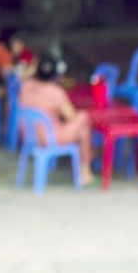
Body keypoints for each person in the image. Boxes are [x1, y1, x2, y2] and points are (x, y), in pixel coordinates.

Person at [18, 54, 96, 185]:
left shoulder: (26, 86)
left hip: (30, 136)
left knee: (83, 130)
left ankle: (87, 164)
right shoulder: (55, 92)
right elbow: (71, 116)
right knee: (83, 118)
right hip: (50, 138)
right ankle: (86, 169)